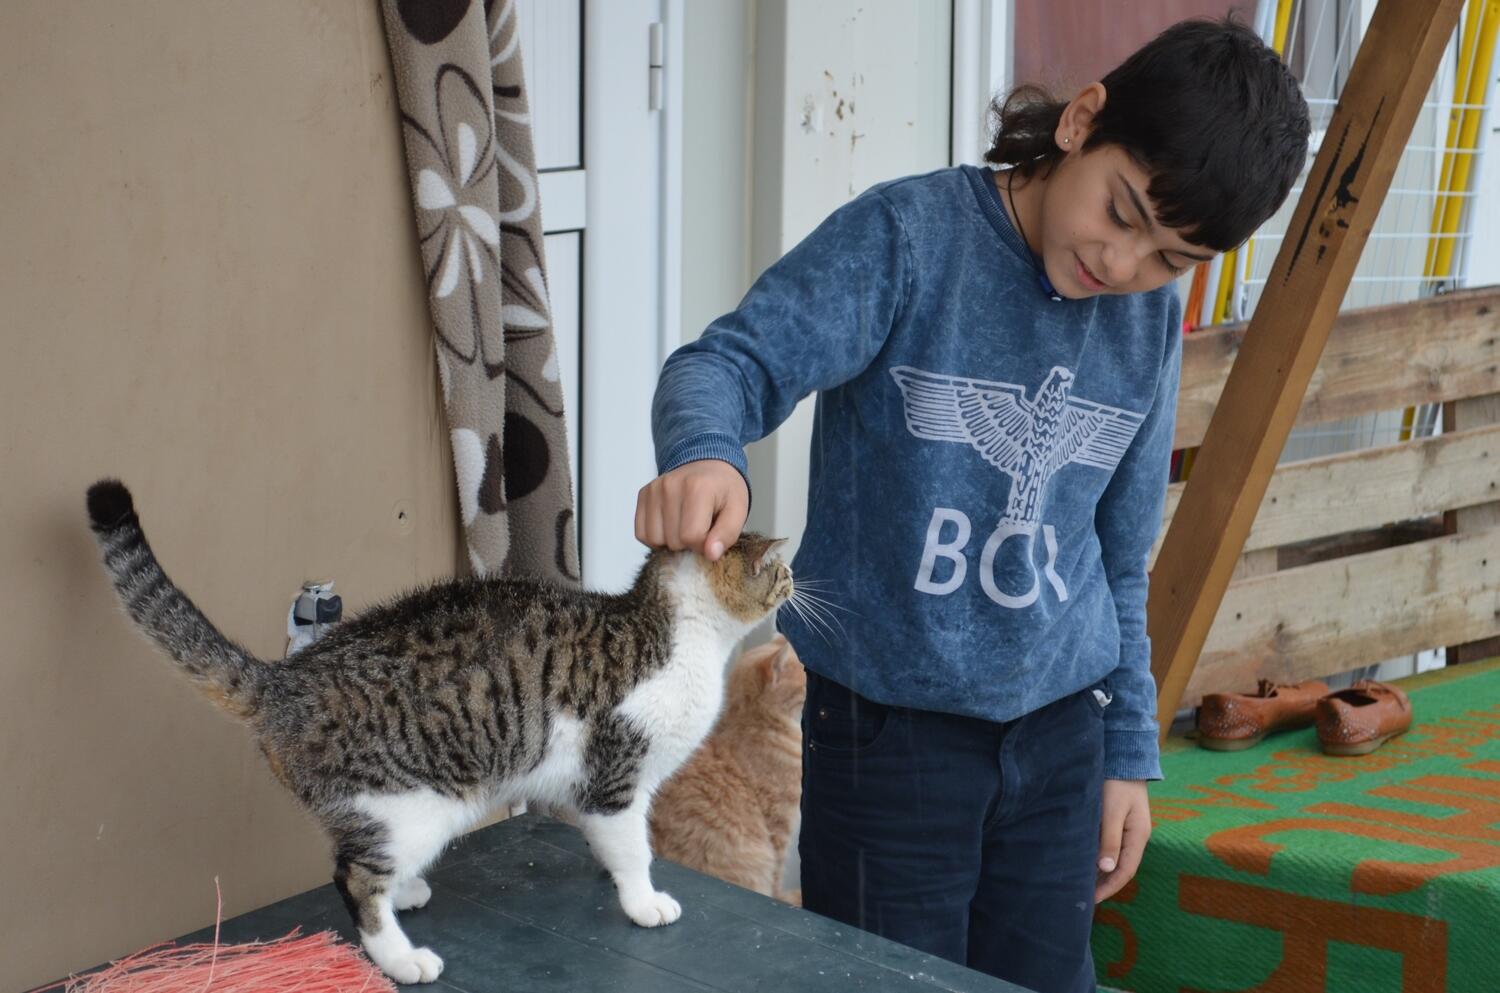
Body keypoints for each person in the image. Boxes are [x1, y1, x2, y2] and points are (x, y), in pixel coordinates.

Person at [636, 16, 1309, 993]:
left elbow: (1120, 557)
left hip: (1063, 741)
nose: (1123, 267)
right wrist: (709, 456)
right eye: (1121, 215)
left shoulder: (1145, 319)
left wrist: (1126, 753)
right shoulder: (907, 240)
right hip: (890, 743)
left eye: (1169, 257)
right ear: (1083, 121)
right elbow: (727, 364)